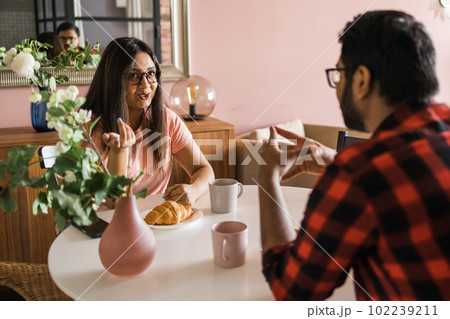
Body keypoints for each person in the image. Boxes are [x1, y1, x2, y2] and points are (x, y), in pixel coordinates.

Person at [258, 10, 450, 301]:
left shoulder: (360, 174)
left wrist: (267, 178)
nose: (337, 88)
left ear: (361, 79)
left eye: (339, 74)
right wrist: (334, 159)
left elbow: (292, 291)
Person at [81, 37, 214, 205]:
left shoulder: (166, 119)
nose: (146, 85)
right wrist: (119, 153)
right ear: (114, 80)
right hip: (105, 222)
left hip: (153, 220)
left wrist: (193, 190)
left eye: (151, 74)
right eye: (133, 76)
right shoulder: (92, 127)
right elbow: (113, 202)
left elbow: (204, 169)